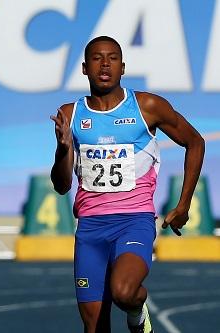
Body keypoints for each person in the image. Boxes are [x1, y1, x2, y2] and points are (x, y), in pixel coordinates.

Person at [50, 36, 204, 333]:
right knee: (94, 325)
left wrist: (184, 204)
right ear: (84, 68)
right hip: (91, 229)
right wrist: (62, 149)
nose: (105, 64)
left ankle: (137, 314)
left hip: (133, 222)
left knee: (123, 291)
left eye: (112, 58)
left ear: (123, 67)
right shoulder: (70, 114)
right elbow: (61, 186)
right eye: (97, 58)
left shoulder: (147, 106)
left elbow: (195, 142)